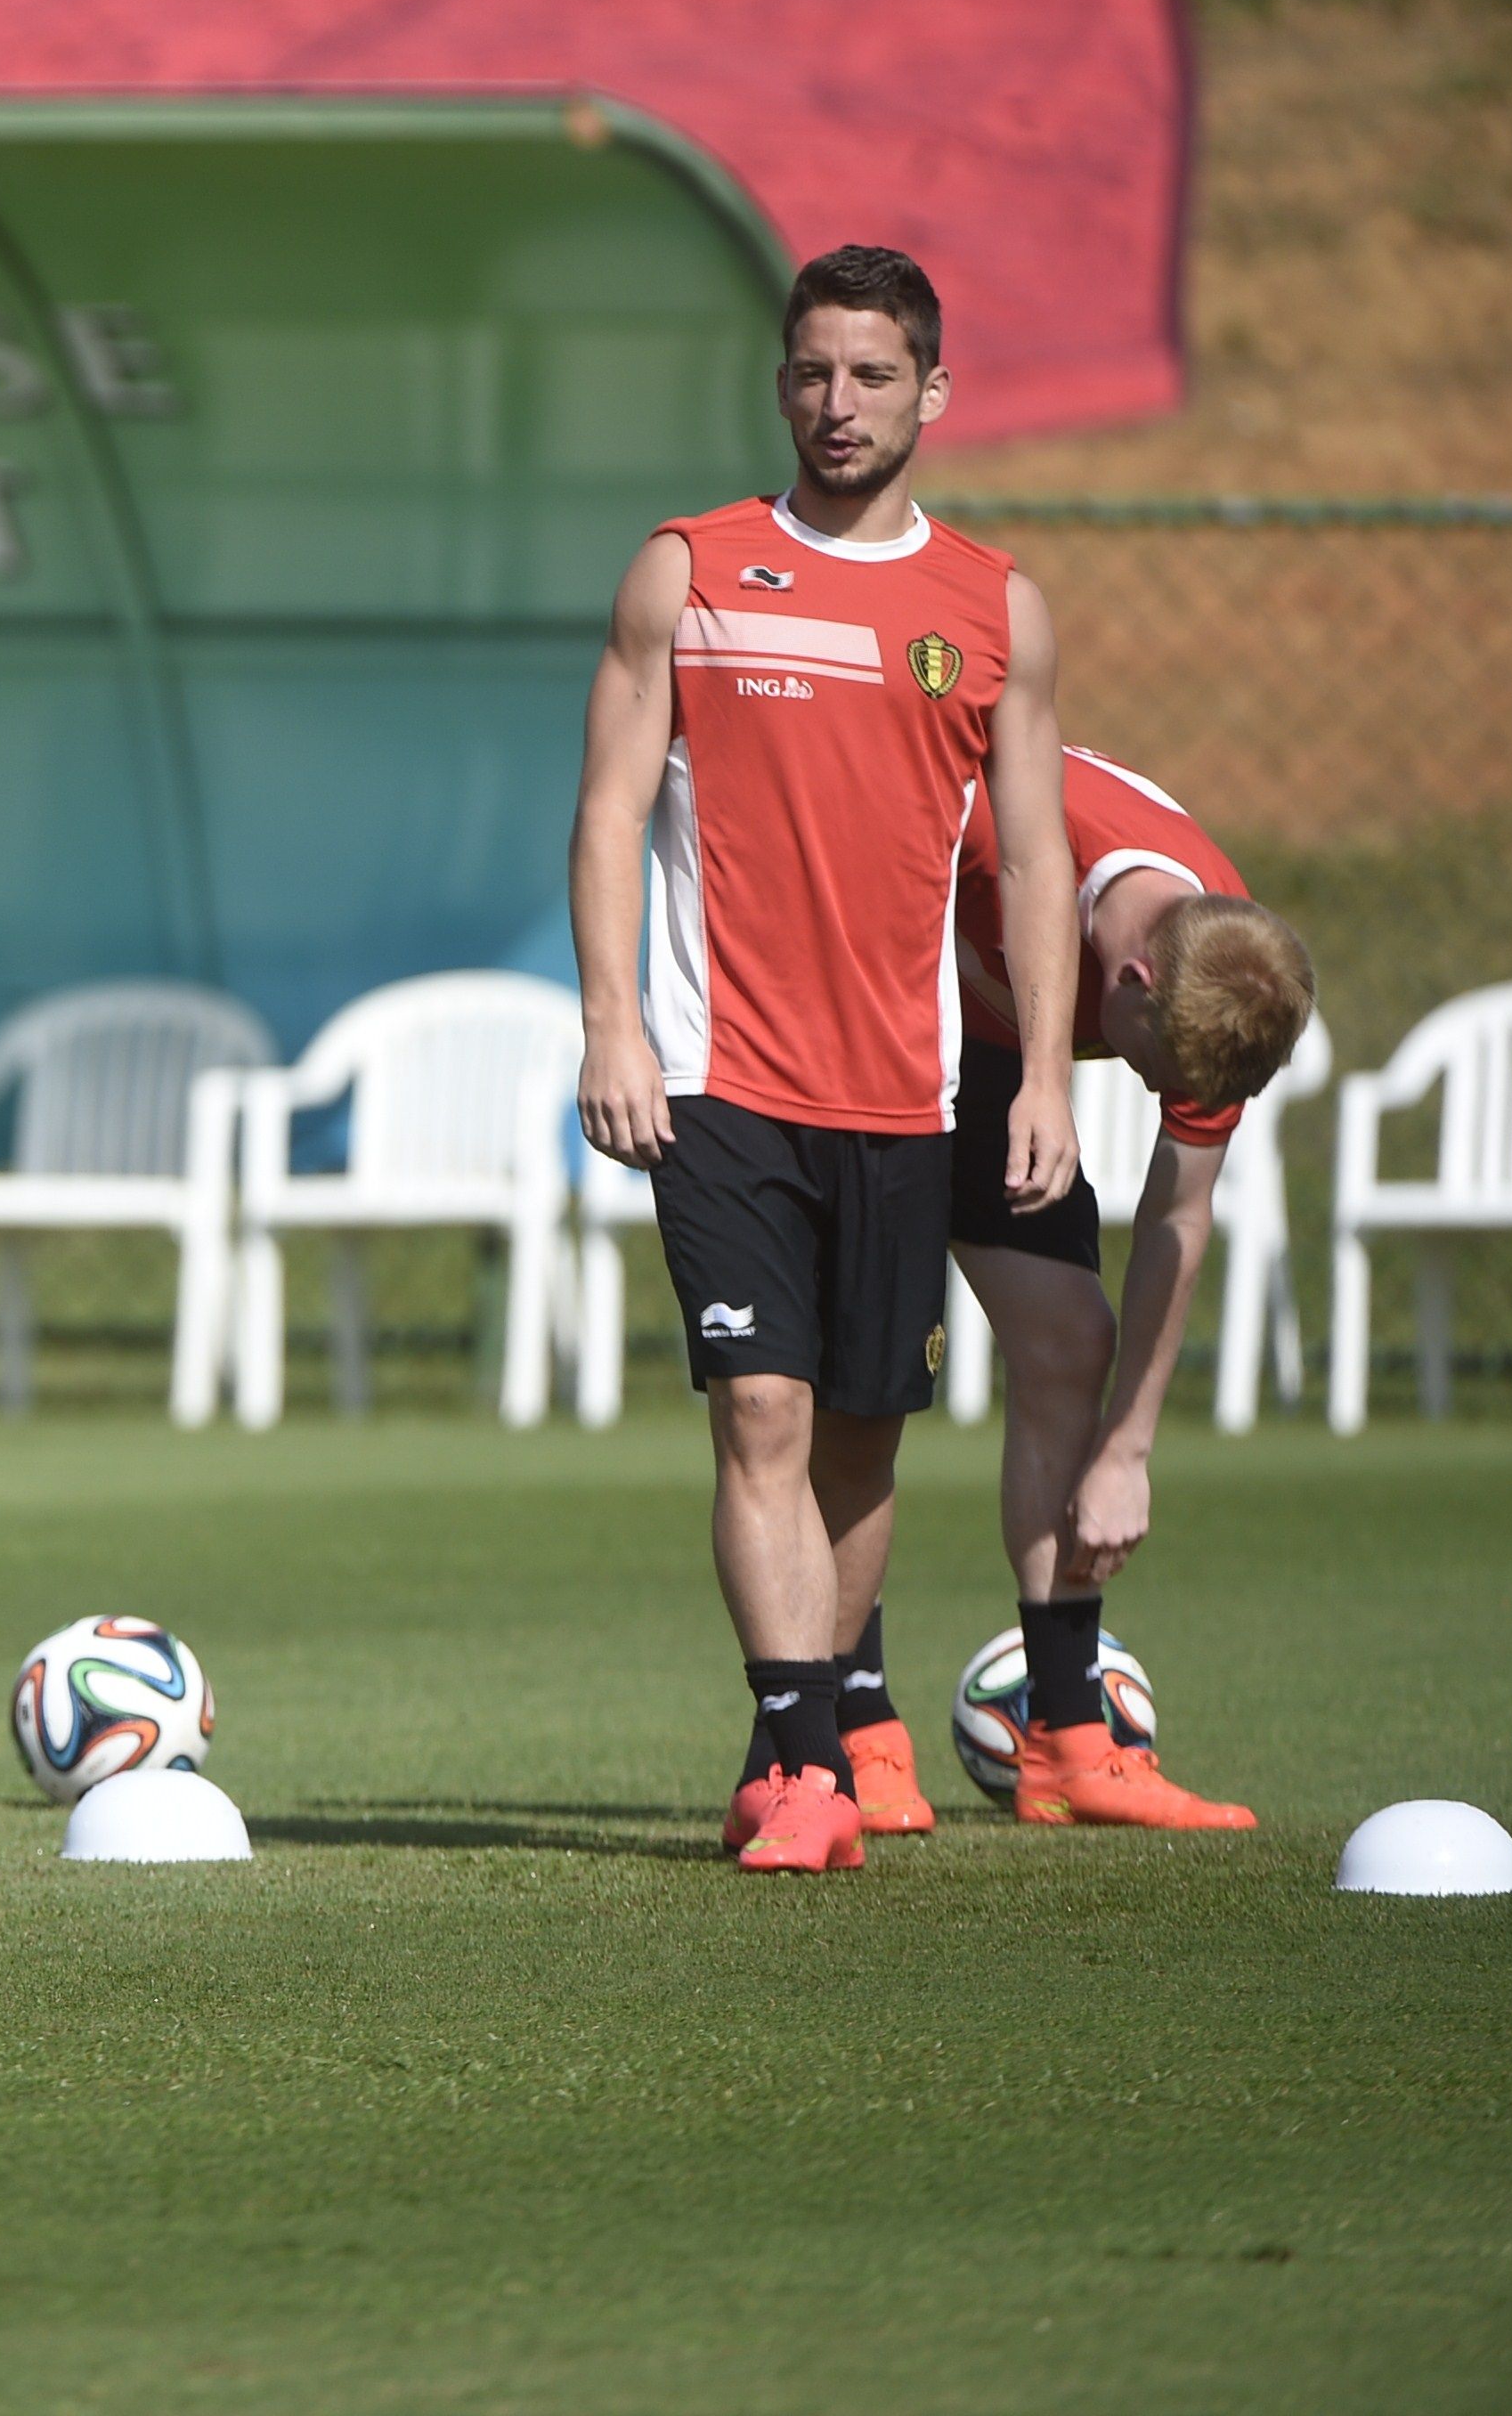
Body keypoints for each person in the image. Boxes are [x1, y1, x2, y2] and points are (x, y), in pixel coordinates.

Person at [568, 243, 1081, 1876]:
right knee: (763, 1412)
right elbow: (600, 814)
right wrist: (609, 1025)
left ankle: (778, 1753)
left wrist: (1052, 1075)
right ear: (776, 381)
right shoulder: (686, 571)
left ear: (929, 392)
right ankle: (805, 1761)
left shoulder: (991, 609)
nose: (834, 403)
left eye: (869, 376)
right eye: (808, 372)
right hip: (718, 1079)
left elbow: (1034, 857)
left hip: (905, 1095)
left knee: (862, 1439)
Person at [825, 748, 1310, 1832]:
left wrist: (1126, 1449)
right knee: (860, 1375)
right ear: (1128, 982)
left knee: (1067, 1340)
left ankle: (1068, 1742)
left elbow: (1178, 1218)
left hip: (996, 1058)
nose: (1164, 1094)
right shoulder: (997, 826)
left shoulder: (1226, 983)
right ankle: (849, 1730)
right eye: (1156, 1071)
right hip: (866, 1025)